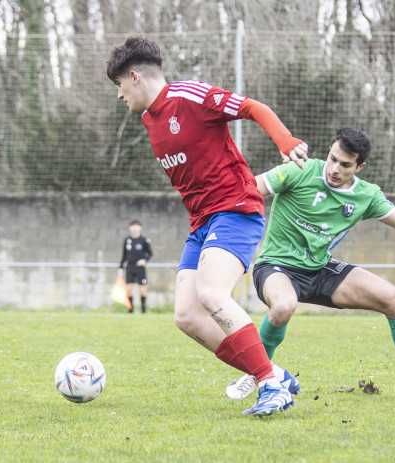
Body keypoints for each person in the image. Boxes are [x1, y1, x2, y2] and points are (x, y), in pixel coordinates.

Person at [106, 36, 308, 416]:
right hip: (202, 222)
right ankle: (274, 373)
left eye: (119, 86)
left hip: (236, 209)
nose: (120, 96)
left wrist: (286, 140)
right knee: (186, 315)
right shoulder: (150, 119)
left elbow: (251, 107)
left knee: (213, 294)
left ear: (134, 77)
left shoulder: (190, 96)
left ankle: (269, 388)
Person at [225, 128, 395, 402]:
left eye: (345, 165)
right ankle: (257, 373)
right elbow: (246, 189)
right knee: (283, 306)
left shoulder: (366, 195)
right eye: (332, 159)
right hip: (277, 266)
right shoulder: (299, 170)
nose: (334, 169)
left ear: (359, 167)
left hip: (319, 269)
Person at [119, 219, 153, 313]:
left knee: (142, 290)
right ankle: (130, 311)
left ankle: (143, 311)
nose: (135, 228)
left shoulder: (144, 240)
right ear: (130, 228)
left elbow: (150, 253)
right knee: (128, 290)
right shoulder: (127, 240)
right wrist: (120, 267)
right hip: (130, 267)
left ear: (140, 227)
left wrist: (144, 260)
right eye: (133, 226)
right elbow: (124, 255)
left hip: (140, 268)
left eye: (137, 226)